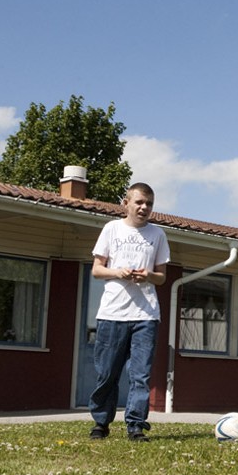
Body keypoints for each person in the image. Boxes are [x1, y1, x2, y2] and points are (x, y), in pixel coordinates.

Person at [89, 182, 170, 442]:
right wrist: (118, 272)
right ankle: (101, 424)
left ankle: (135, 426)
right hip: (112, 313)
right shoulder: (111, 229)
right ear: (127, 203)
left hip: (146, 315)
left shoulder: (158, 235)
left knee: (140, 376)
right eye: (139, 202)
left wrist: (148, 275)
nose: (144, 208)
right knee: (107, 373)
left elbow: (161, 278)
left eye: (149, 204)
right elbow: (97, 270)